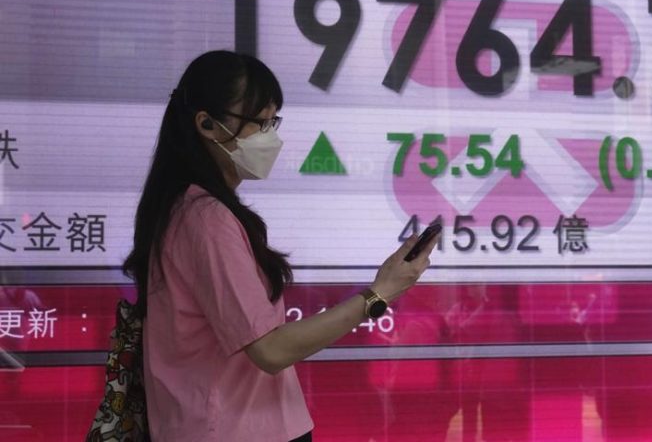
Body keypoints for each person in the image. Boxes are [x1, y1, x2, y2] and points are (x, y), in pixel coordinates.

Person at [122, 50, 437, 441]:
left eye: (274, 121)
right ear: (207, 124)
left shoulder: (186, 208)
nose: (271, 136)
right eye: (260, 122)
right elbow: (269, 350)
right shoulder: (206, 218)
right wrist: (380, 293)